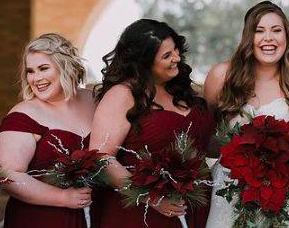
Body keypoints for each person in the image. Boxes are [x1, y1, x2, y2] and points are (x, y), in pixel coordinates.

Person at [204, 0, 289, 227]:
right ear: (247, 38)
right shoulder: (221, 77)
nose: (268, 38)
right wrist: (243, 162)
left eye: (276, 30)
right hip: (230, 192)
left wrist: (276, 168)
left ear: (287, 37)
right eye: (259, 31)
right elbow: (208, 141)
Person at [89, 19, 214, 228]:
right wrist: (151, 198)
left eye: (175, 50)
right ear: (143, 62)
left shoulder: (182, 91)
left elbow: (205, 144)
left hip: (196, 209)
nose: (176, 58)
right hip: (142, 214)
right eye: (166, 55)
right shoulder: (122, 95)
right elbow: (100, 158)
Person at [0, 33, 95, 228]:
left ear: (65, 66)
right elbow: (6, 174)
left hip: (96, 214)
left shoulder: (95, 100)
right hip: (40, 218)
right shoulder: (23, 114)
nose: (36, 78)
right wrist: (62, 197)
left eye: (43, 68)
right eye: (30, 71)